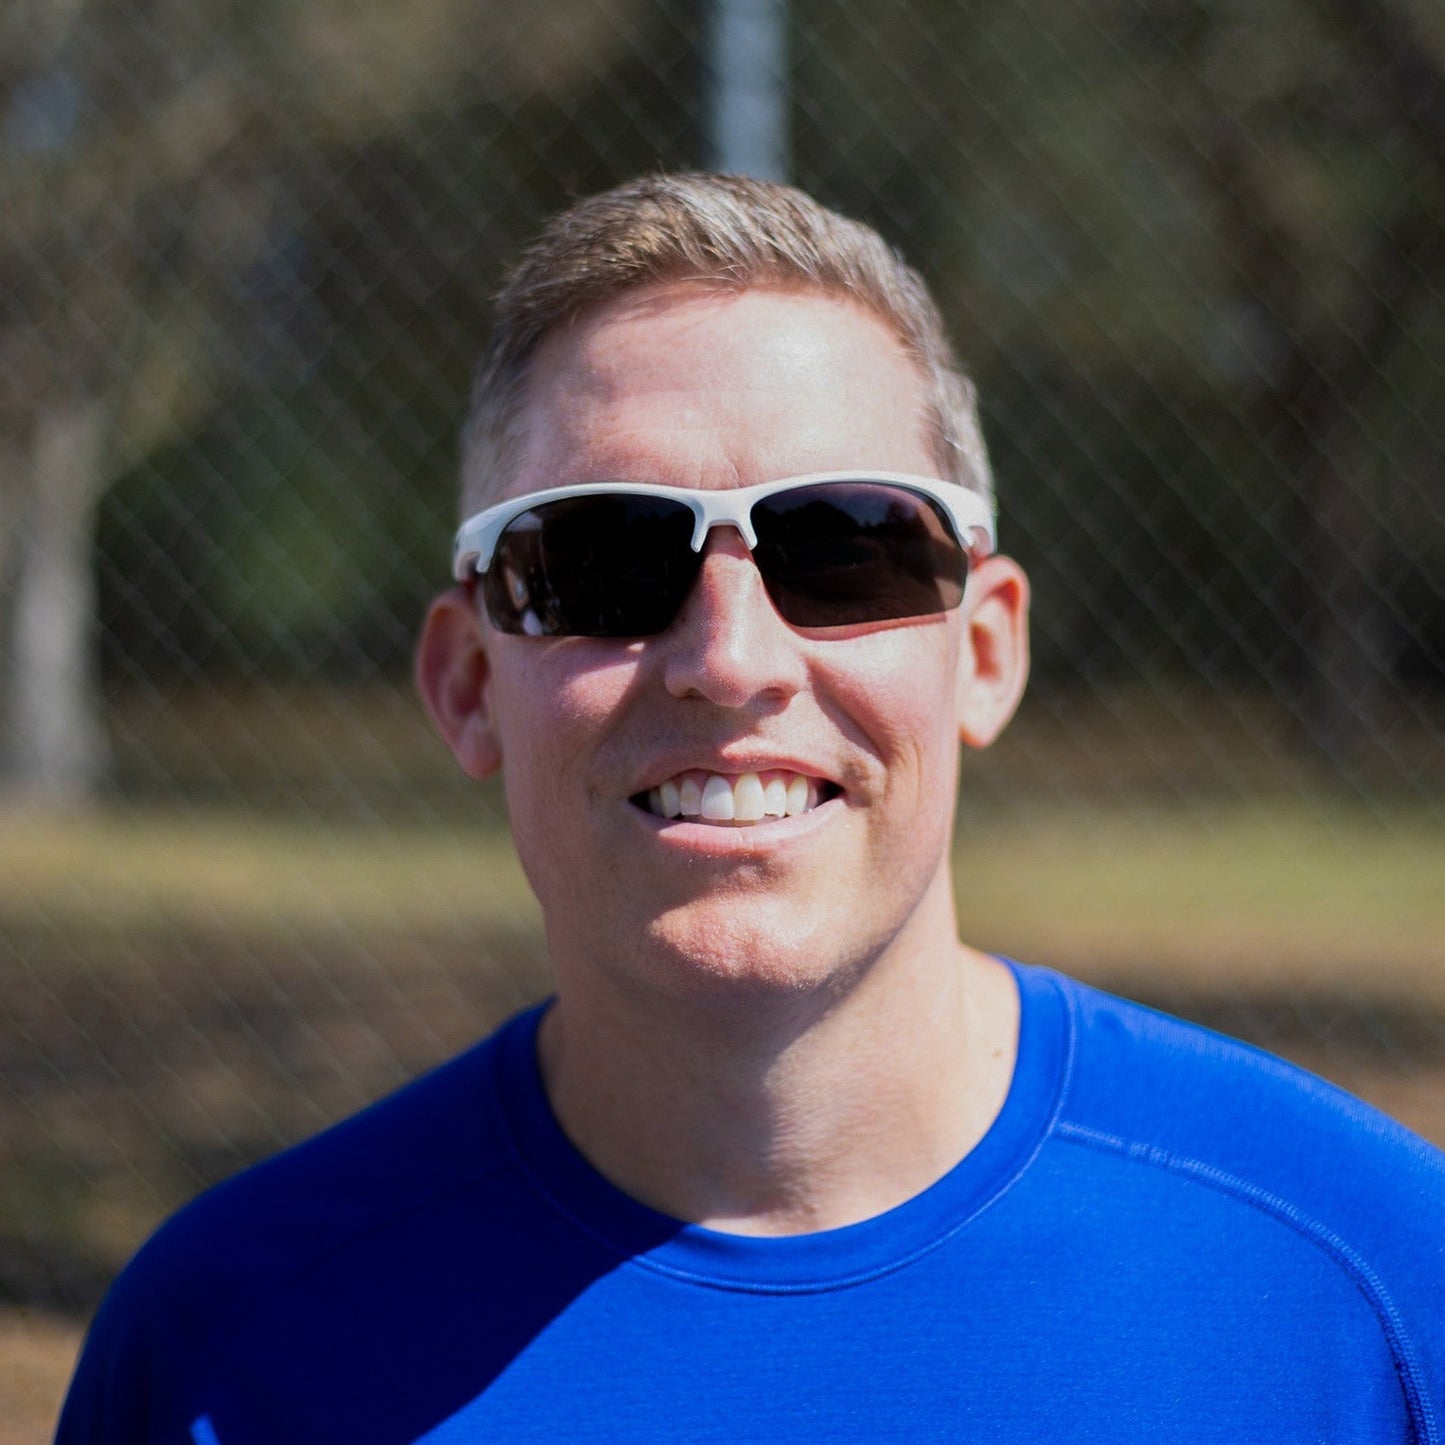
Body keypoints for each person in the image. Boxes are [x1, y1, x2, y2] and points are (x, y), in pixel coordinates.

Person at [58, 172, 1445, 1443]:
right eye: (600, 557)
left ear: (983, 651)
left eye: (847, 546)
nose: (730, 660)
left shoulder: (1377, 1290)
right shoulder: (220, 1348)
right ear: (469, 684)